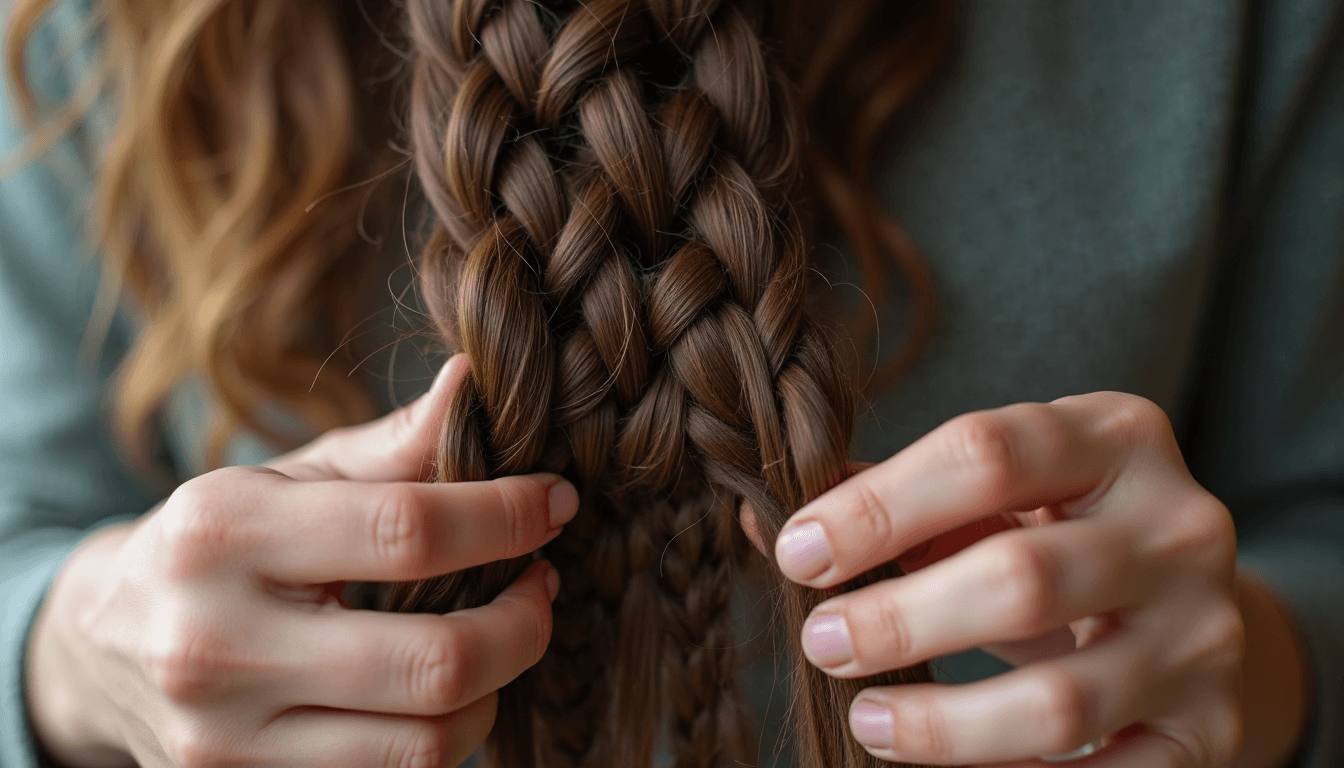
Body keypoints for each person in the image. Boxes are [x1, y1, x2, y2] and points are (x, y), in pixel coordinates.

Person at [1, 1, 1340, 767]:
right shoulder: (108, 30)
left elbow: (1317, 518)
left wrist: (1261, 665)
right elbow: (24, 523)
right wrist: (73, 653)